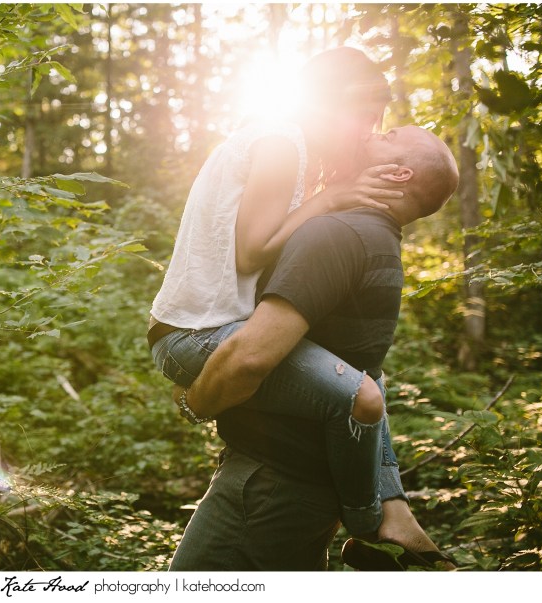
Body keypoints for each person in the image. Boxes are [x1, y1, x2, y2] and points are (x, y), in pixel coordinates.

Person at [149, 47, 424, 555]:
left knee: (360, 371)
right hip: (195, 336)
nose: (369, 129)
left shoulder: (287, 144)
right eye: (364, 114)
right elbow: (252, 251)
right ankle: (370, 524)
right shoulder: (279, 142)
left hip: (219, 328)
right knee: (357, 394)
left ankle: (395, 510)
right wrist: (332, 199)